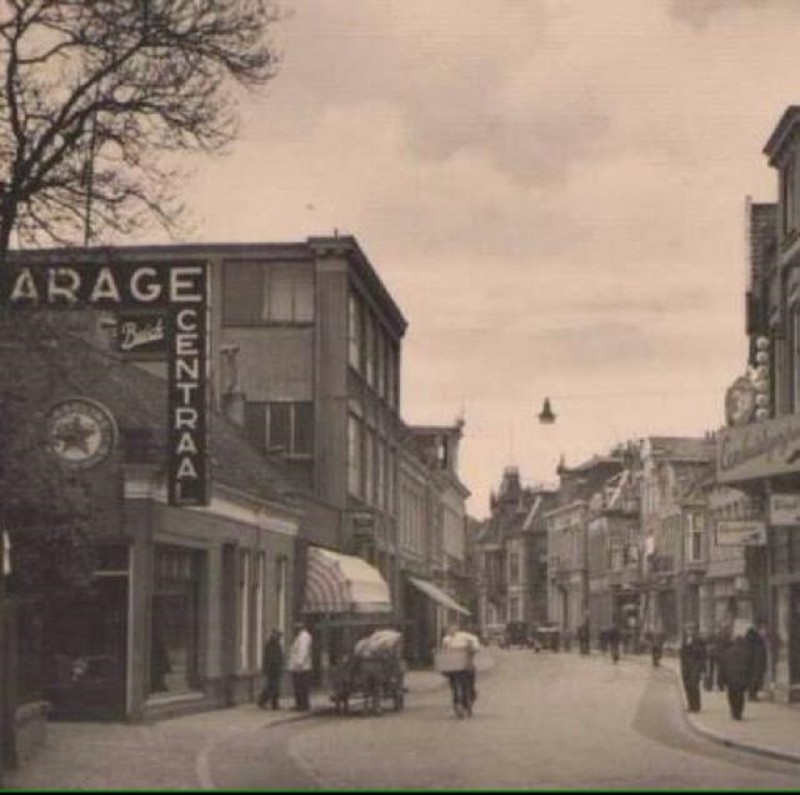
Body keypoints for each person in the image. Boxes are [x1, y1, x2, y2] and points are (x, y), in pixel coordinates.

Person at [440, 625, 480, 718]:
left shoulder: (465, 636)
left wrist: (471, 648)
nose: (450, 632)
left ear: (456, 629)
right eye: (449, 630)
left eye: (452, 629)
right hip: (453, 667)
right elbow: (444, 652)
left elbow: (475, 646)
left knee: (468, 685)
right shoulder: (447, 640)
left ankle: (468, 700)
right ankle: (459, 705)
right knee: (454, 687)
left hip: (466, 666)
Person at [719, 630, 755, 720]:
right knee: (740, 695)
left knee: (732, 695)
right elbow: (751, 668)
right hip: (742, 678)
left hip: (730, 678)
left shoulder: (726, 653)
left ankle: (734, 710)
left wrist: (721, 681)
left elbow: (722, 668)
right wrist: (750, 681)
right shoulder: (747, 652)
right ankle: (739, 712)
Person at [679, 624, 707, 713]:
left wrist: (702, 667)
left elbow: (702, 654)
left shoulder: (699, 640)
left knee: (694, 685)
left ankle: (696, 706)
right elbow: (682, 653)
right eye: (687, 629)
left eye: (691, 629)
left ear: (694, 631)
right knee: (687, 685)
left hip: (695, 666)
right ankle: (690, 705)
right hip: (686, 667)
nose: (689, 631)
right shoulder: (684, 640)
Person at [287, 622, 313, 711]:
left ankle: (302, 705)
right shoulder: (300, 637)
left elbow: (303, 651)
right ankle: (302, 704)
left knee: (300, 687)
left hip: (301, 668)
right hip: (300, 667)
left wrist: (299, 664)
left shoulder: (304, 637)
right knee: (300, 687)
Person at [257, 629, 284, 710]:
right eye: (278, 636)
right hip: (272, 668)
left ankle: (272, 703)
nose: (279, 638)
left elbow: (278, 657)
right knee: (272, 687)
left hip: (276, 668)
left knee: (273, 687)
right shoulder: (271, 644)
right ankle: (265, 701)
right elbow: (270, 657)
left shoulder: (276, 645)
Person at [746, 621, 768, 701]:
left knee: (754, 679)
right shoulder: (757, 639)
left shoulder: (752, 639)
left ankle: (752, 695)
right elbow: (759, 653)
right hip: (755, 663)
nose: (763, 631)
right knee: (755, 679)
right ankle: (752, 695)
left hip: (753, 663)